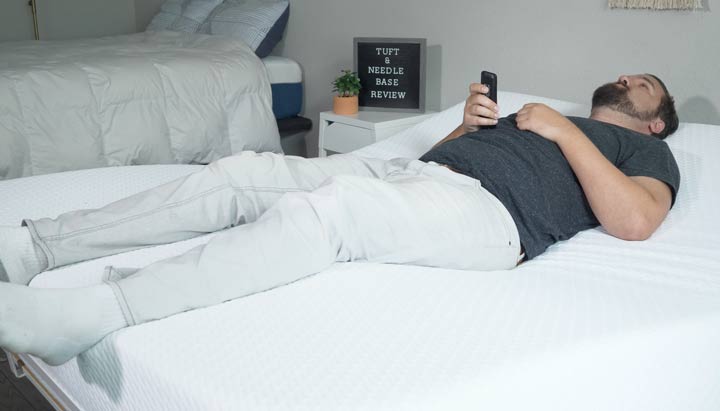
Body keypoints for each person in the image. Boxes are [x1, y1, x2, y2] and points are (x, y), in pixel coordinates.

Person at [0, 74, 680, 366]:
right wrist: (465, 130)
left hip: (493, 218)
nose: (627, 76)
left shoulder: (647, 150)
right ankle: (36, 247)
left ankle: (98, 310)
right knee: (239, 173)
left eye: (644, 81)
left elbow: (635, 221)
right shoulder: (539, 118)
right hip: (424, 175)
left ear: (655, 118)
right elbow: (441, 161)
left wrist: (565, 130)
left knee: (329, 212)